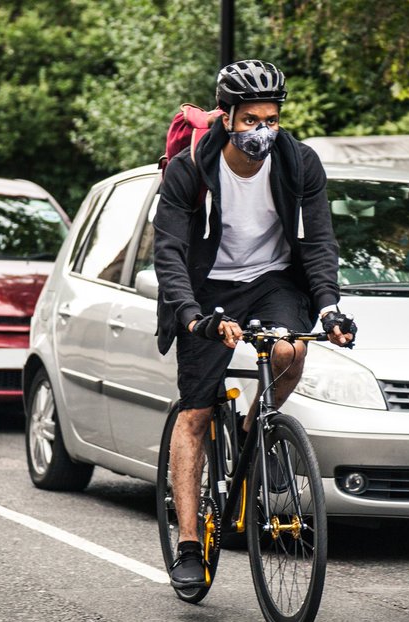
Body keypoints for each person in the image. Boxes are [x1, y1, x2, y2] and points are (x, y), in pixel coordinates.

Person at [153, 60, 356, 590]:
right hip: (206, 285)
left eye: (272, 118)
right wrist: (192, 316)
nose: (263, 130)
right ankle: (190, 544)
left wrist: (330, 305)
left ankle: (254, 432)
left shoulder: (299, 164)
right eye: (252, 120)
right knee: (195, 413)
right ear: (228, 117)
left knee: (291, 351)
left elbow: (318, 242)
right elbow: (170, 251)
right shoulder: (191, 170)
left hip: (272, 279)